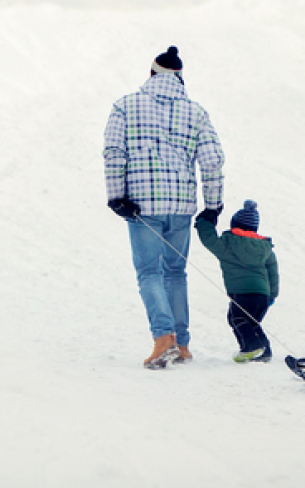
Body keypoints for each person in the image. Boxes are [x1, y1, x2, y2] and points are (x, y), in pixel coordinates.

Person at [103, 46, 225, 369]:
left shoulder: (125, 106)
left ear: (152, 74)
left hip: (142, 206)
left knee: (148, 271)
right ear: (179, 78)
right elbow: (212, 160)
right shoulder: (196, 112)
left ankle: (163, 339)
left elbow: (114, 151)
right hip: (181, 206)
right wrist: (213, 207)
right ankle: (182, 345)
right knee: (175, 272)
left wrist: (117, 196)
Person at [194, 199, 280, 363]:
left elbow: (209, 239)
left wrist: (204, 222)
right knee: (252, 322)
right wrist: (272, 296)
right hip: (263, 294)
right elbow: (273, 272)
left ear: (234, 225)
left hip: (242, 293)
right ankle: (264, 350)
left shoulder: (228, 243)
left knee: (237, 318)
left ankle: (251, 347)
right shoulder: (264, 248)